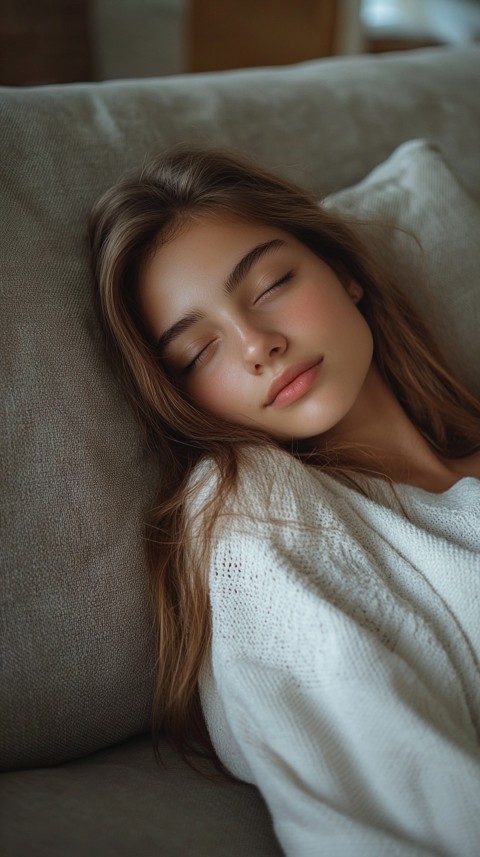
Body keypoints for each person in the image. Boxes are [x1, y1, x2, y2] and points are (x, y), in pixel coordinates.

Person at [89, 146, 480, 856]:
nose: (256, 345)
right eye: (196, 353)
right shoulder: (255, 515)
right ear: (181, 399)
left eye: (269, 285)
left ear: (345, 272)